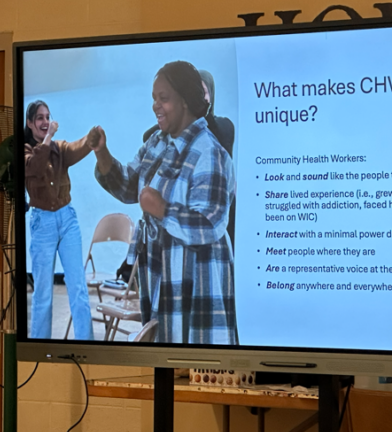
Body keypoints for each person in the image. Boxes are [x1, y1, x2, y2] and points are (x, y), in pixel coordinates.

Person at [89, 61, 237, 344]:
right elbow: (130, 186)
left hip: (198, 283)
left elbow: (210, 224)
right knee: (166, 364)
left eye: (163, 98)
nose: (156, 105)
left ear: (184, 100)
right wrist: (102, 154)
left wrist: (164, 210)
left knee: (197, 373)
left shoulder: (210, 152)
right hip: (162, 277)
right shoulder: (156, 142)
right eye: (154, 99)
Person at [23, 100, 95, 340]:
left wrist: (91, 139)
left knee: (78, 287)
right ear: (30, 123)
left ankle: (87, 344)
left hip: (68, 219)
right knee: (43, 292)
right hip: (42, 223)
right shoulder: (24, 151)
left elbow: (76, 148)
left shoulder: (59, 148)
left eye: (47, 117)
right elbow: (36, 165)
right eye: (40, 118)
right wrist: (49, 136)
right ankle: (39, 348)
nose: (45, 122)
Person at [142, 69, 236, 249]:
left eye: (203, 93)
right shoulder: (158, 136)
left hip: (216, 209)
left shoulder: (223, 128)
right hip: (178, 214)